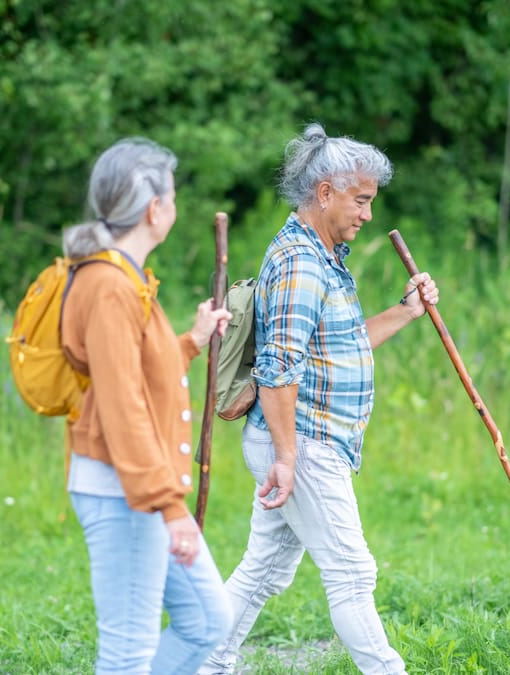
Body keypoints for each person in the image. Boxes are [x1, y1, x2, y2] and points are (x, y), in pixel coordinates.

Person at [199, 123, 439, 675]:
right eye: (361, 200)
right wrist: (287, 458)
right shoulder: (303, 263)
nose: (368, 215)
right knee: (352, 573)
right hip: (301, 442)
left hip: (299, 441)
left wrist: (406, 310)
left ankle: (202, 664)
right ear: (325, 192)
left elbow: (338, 347)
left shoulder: (321, 255)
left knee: (263, 570)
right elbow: (278, 368)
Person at [61, 137, 233, 674]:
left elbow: (136, 374)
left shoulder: (126, 279)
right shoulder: (109, 284)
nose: (176, 209)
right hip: (125, 492)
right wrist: (169, 505)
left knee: (208, 620)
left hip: (137, 487)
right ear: (155, 208)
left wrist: (191, 342)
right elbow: (122, 405)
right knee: (128, 654)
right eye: (174, 197)